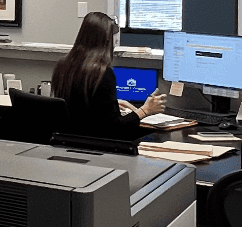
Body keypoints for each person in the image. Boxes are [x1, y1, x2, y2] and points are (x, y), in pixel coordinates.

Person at [50, 10, 166, 143]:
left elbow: (80, 108)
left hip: (68, 144)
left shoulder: (63, 66)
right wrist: (145, 111)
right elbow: (113, 129)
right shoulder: (102, 73)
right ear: (106, 40)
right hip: (98, 148)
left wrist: (113, 103)